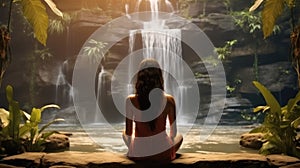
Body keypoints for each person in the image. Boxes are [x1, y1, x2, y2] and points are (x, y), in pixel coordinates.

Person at [122, 58, 183, 162]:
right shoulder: (169, 100)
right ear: (159, 77)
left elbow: (128, 133)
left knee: (124, 133)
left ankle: (139, 149)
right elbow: (173, 134)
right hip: (162, 154)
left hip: (139, 153)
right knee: (179, 137)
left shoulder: (130, 101)